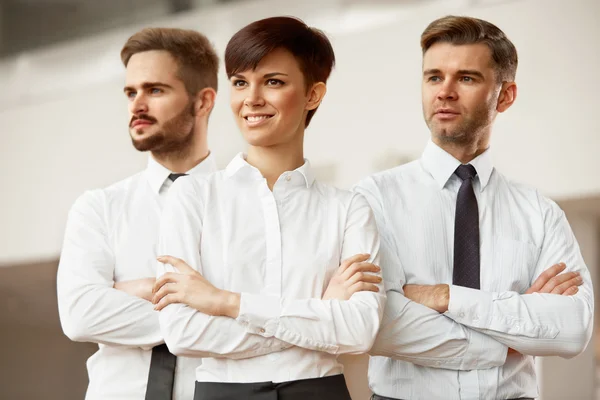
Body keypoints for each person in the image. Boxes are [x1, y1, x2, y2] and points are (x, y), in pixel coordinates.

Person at [355, 15, 594, 400]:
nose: (445, 91)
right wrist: (512, 333)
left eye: (466, 78)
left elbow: (573, 328)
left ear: (505, 96)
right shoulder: (371, 199)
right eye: (434, 77)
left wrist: (445, 297)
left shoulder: (540, 213)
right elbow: (378, 325)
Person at [151, 16, 386, 400]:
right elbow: (182, 332)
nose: (251, 99)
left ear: (313, 94)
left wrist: (225, 302)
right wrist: (317, 319)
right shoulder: (191, 196)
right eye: (240, 82)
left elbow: (359, 330)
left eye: (273, 82)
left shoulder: (349, 208)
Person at [57, 27, 220, 400]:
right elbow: (80, 314)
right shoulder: (98, 208)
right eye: (131, 92)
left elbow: (262, 314)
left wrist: (131, 292)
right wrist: (209, 305)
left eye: (155, 90)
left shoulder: (244, 205)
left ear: (203, 101)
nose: (137, 105)